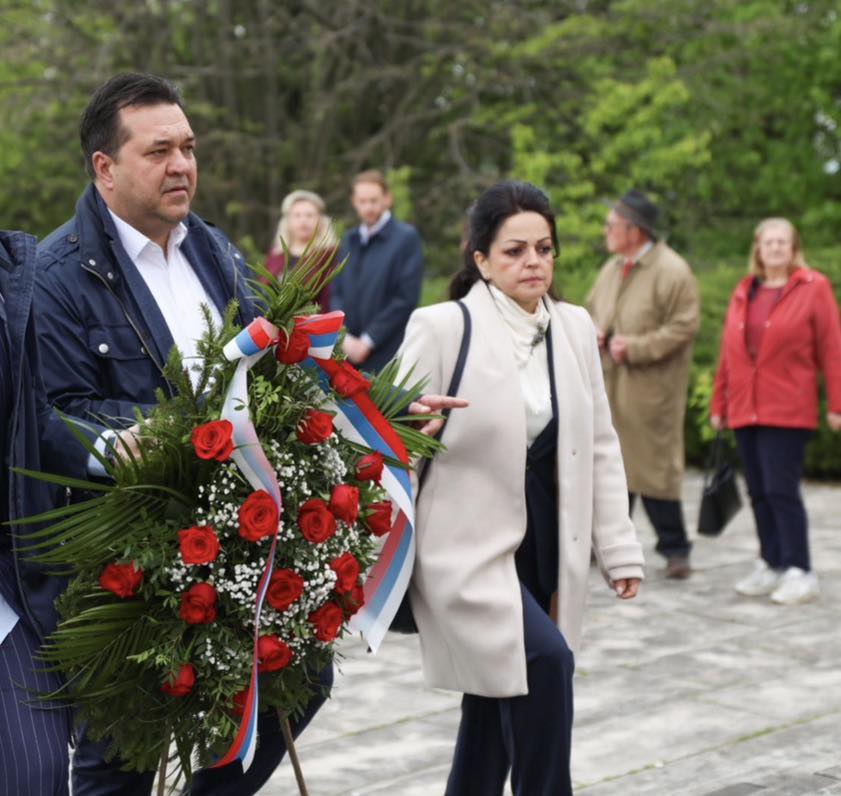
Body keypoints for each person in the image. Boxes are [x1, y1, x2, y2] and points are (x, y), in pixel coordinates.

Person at [33, 72, 329, 796]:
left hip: (237, 537)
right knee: (121, 761)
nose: (181, 166)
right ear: (104, 167)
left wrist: (369, 413)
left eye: (188, 148)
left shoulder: (214, 249)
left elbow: (273, 364)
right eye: (158, 151)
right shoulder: (54, 276)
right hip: (127, 555)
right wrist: (136, 442)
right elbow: (50, 412)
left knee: (302, 680)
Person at [397, 181, 645, 796]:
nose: (533, 261)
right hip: (465, 548)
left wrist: (618, 549)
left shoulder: (574, 327)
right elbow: (385, 437)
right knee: (545, 662)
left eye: (544, 248)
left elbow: (600, 442)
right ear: (481, 259)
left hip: (548, 541)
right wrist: (404, 422)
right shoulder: (441, 327)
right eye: (514, 251)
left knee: (495, 700)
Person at [0, 229, 135, 796]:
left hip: (11, 582)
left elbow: (32, 420)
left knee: (37, 770)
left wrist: (111, 447)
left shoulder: (12, 272)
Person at [710, 217, 841, 605]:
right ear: (758, 248)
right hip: (744, 408)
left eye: (783, 241)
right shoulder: (743, 291)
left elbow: (832, 348)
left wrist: (837, 403)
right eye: (769, 242)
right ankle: (772, 562)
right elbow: (728, 354)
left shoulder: (814, 287)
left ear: (794, 247)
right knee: (758, 491)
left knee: (781, 491)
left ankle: (800, 569)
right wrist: (719, 403)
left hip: (787, 408)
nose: (776, 247)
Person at [586, 189, 699, 579]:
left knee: (654, 470)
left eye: (611, 225)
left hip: (651, 389)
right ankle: (608, 545)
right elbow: (589, 310)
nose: (606, 231)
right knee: (613, 467)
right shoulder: (612, 267)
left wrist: (635, 347)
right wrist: (592, 332)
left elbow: (684, 327)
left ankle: (675, 549)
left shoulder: (672, 270)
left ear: (634, 230)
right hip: (610, 384)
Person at [330, 169, 424, 371]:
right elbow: (336, 291)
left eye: (374, 200)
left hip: (387, 353)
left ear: (387, 199)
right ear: (354, 202)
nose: (368, 207)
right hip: (346, 353)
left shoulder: (406, 238)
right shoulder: (349, 240)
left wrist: (368, 340)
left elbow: (405, 297)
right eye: (362, 201)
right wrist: (344, 336)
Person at [264, 189, 337, 310]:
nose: (303, 220)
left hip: (315, 319)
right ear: (287, 221)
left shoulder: (329, 255)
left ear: (320, 219)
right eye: (297, 215)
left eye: (309, 215)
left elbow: (331, 297)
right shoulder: (276, 254)